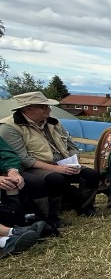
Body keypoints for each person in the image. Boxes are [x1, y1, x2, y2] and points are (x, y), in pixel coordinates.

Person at [0, 91, 101, 226]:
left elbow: (71, 144)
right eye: (43, 107)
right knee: (55, 178)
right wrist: (57, 168)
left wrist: (74, 160)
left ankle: (85, 207)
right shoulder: (9, 128)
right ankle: (51, 215)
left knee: (91, 174)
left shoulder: (53, 122)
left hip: (62, 163)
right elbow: (23, 158)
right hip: (35, 168)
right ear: (27, 108)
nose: (48, 109)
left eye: (48, 106)